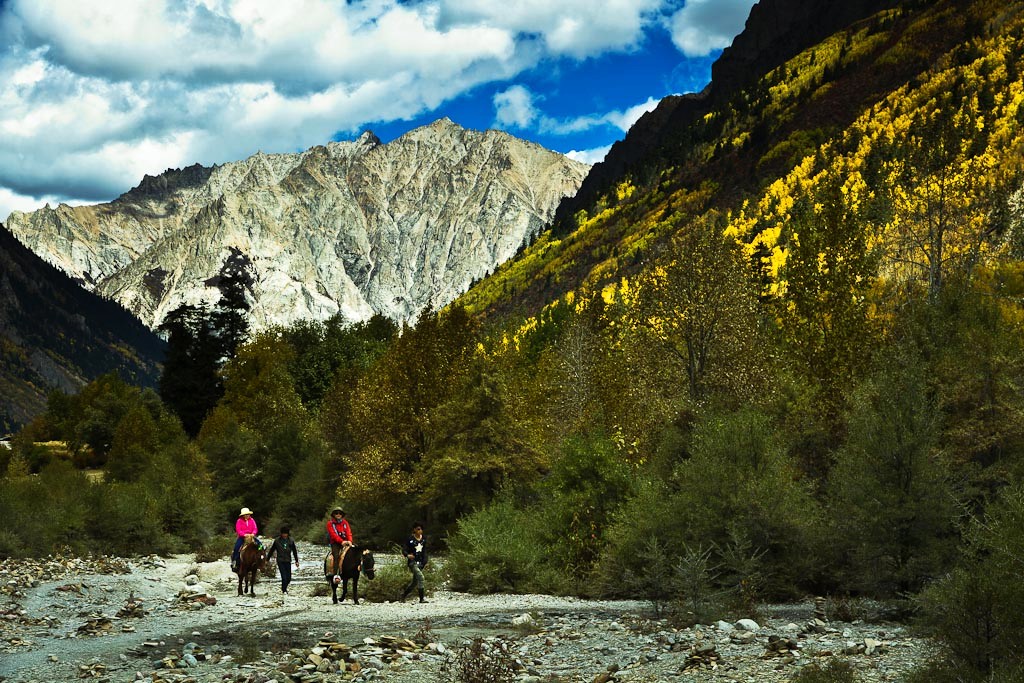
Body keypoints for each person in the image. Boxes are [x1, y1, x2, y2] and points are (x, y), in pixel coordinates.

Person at [266, 526, 300, 594]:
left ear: (288, 534)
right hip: (280, 560)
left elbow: (294, 551)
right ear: (281, 534)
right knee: (284, 577)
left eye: (286, 534)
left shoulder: (291, 540)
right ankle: (284, 590)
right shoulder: (277, 541)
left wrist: (296, 561)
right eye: (283, 533)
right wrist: (267, 559)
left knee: (289, 578)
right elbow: (272, 550)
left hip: (288, 560)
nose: (284, 535)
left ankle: (284, 588)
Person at [401, 522, 428, 603]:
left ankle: (403, 595)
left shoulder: (424, 539)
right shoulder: (410, 540)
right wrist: (407, 555)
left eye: (421, 529)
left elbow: (425, 551)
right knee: (421, 578)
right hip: (413, 562)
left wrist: (425, 561)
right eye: (418, 529)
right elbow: (404, 549)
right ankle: (421, 598)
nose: (420, 531)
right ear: (414, 529)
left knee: (414, 582)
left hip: (421, 562)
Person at [326, 508, 353, 577]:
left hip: (346, 541)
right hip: (335, 543)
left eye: (340, 513)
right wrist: (341, 541)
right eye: (336, 513)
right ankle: (336, 574)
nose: (338, 514)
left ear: (342, 515)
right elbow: (333, 535)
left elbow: (348, 532)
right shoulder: (330, 524)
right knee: (336, 556)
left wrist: (350, 541)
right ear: (334, 515)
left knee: (355, 552)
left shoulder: (345, 523)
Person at [231, 507, 259, 571]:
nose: (247, 515)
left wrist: (253, 533)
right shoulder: (239, 521)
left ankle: (261, 561)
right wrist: (244, 535)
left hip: (251, 536)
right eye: (246, 514)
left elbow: (255, 528)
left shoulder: (252, 520)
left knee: (260, 546)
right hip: (242, 537)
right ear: (243, 515)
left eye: (248, 514)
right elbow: (238, 530)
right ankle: (235, 562)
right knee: (236, 548)